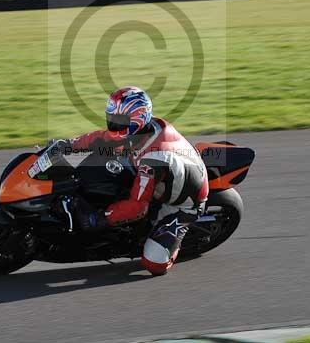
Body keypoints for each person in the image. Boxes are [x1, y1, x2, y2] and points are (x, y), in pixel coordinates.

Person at [64, 86, 208, 276]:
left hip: (181, 203)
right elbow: (103, 137)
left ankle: (176, 238)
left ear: (137, 120)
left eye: (118, 121)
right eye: (111, 118)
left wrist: (100, 218)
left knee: (153, 264)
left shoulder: (153, 160)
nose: (112, 125)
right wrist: (69, 145)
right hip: (167, 175)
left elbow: (138, 207)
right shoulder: (145, 129)